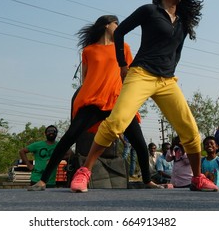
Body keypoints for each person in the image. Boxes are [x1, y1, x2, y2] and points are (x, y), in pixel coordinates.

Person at [70, 0, 218, 192]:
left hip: (167, 81)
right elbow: (119, 33)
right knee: (117, 122)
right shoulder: (149, 11)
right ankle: (84, 172)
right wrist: (122, 65)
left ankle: (197, 178)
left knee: (190, 130)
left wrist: (170, 71)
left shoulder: (182, 22)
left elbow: (177, 52)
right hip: (141, 74)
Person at [28, 15, 161, 191]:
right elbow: (85, 78)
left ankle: (147, 181)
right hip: (93, 101)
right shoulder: (88, 51)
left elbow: (128, 75)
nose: (119, 27)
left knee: (140, 143)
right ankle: (43, 181)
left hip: (118, 101)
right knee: (68, 138)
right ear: (107, 25)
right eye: (116, 24)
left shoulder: (124, 48)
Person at [19, 125, 59, 190]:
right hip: (36, 178)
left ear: (56, 134)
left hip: (50, 181)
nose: (51, 133)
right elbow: (22, 151)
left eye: (53, 131)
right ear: (45, 133)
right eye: (49, 131)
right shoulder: (38, 145)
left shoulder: (59, 145)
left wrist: (56, 158)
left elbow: (70, 154)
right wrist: (28, 165)